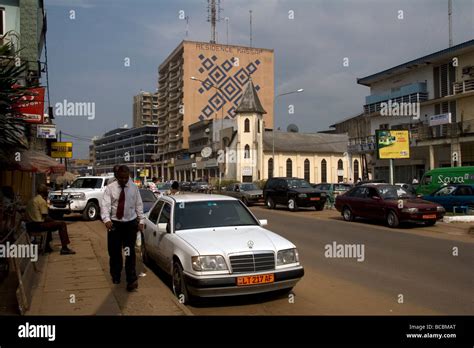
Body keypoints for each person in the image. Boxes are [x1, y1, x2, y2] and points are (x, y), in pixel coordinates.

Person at [101, 165, 144, 292]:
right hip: (115, 224)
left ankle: (131, 279)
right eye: (121, 178)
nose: (124, 180)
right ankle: (116, 275)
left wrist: (141, 220)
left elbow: (139, 204)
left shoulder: (134, 188)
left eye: (126, 178)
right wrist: (106, 220)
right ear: (117, 177)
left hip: (130, 224)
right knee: (114, 252)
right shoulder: (110, 188)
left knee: (129, 253)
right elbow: (105, 205)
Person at [25, 184, 76, 255]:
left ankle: (47, 246)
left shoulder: (32, 200)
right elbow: (45, 216)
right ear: (44, 192)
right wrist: (55, 221)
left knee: (50, 224)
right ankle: (64, 248)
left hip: (29, 225)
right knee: (62, 224)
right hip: (38, 225)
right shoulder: (41, 201)